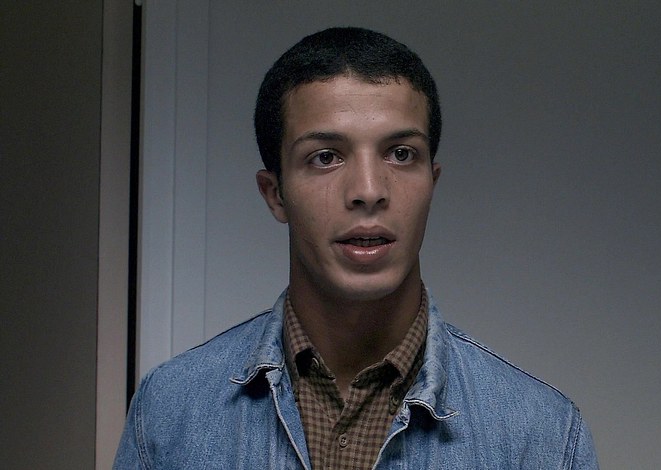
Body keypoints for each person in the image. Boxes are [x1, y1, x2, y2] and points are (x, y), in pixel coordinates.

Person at [114, 27, 598, 469]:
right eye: (325, 157)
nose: (368, 190)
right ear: (275, 193)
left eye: (401, 154)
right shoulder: (170, 410)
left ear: (431, 183)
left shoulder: (545, 435)